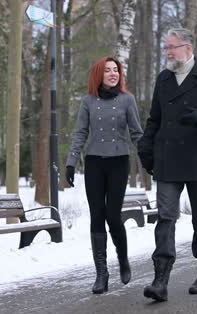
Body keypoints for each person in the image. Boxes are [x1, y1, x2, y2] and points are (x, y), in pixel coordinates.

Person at [137, 28, 197, 302]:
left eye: (172, 46)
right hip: (167, 159)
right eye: (165, 47)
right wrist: (146, 146)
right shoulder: (164, 78)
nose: (167, 51)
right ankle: (160, 280)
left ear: (188, 48)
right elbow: (154, 118)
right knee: (165, 217)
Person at [65, 56, 143, 294]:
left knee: (112, 215)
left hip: (119, 162)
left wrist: (148, 159)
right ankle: (101, 274)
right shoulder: (88, 101)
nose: (113, 74)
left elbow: (137, 133)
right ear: (99, 74)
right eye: (108, 70)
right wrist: (70, 163)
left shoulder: (127, 100)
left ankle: (123, 258)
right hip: (94, 163)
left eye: (116, 70)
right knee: (97, 215)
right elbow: (80, 133)